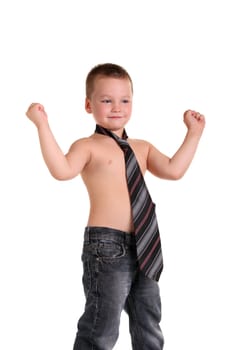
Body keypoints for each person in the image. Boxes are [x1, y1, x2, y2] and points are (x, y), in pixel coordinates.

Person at [26, 63, 205, 350]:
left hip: (146, 245)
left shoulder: (142, 147)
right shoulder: (88, 146)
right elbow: (61, 169)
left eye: (124, 100)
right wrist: (42, 124)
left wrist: (193, 134)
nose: (116, 107)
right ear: (88, 105)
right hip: (107, 246)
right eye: (106, 100)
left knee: (149, 322)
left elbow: (173, 170)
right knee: (102, 326)